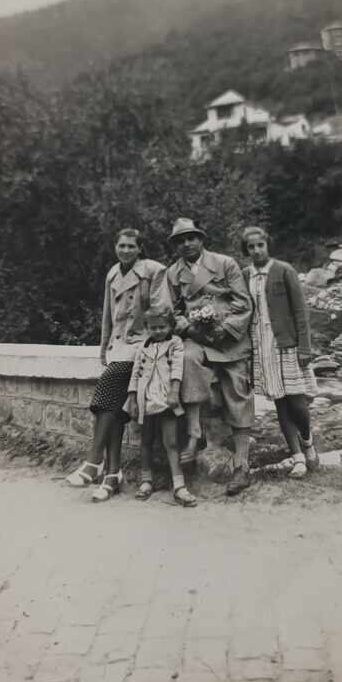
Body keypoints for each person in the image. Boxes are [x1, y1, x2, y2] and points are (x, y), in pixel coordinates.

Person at [66, 228, 169, 501]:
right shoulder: (113, 273)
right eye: (121, 246)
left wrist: (151, 340)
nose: (125, 250)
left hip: (143, 346)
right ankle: (112, 476)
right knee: (114, 406)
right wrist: (103, 346)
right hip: (117, 347)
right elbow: (107, 316)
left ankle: (94, 461)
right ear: (116, 247)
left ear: (140, 248)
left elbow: (162, 312)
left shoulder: (154, 271)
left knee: (108, 390)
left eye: (131, 246)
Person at [166, 217, 255, 496]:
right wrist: (184, 324)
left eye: (191, 237)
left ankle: (242, 465)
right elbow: (173, 311)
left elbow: (244, 304)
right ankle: (193, 435)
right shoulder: (173, 274)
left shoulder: (224, 264)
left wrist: (223, 328)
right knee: (186, 359)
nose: (187, 244)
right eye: (180, 240)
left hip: (228, 339)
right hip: (197, 337)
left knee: (238, 392)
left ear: (201, 239)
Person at [241, 225, 319, 478]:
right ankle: (297, 456)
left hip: (287, 343)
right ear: (247, 250)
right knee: (280, 403)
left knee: (297, 400)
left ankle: (307, 440)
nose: (256, 250)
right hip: (261, 345)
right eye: (251, 247)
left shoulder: (284, 270)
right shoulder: (245, 276)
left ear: (267, 245)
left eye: (260, 245)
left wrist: (305, 347)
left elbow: (300, 311)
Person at [123, 306, 197, 507]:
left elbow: (177, 369)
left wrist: (174, 391)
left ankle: (179, 486)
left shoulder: (175, 343)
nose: (158, 331)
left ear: (170, 326)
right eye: (153, 327)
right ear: (147, 328)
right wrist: (132, 398)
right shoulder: (143, 347)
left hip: (166, 400)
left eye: (162, 327)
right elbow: (135, 373)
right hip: (145, 399)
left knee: (171, 443)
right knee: (145, 441)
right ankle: (146, 481)